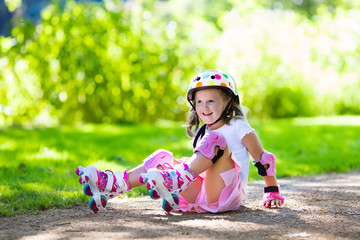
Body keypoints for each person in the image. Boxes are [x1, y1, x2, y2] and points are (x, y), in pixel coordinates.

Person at [76, 69, 285, 213]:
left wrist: (272, 191)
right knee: (161, 156)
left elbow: (263, 160)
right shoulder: (203, 133)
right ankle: (114, 185)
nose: (204, 107)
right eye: (200, 102)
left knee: (217, 140)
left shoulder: (239, 126)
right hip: (201, 195)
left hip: (226, 195)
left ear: (228, 101)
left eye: (211, 100)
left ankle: (176, 179)